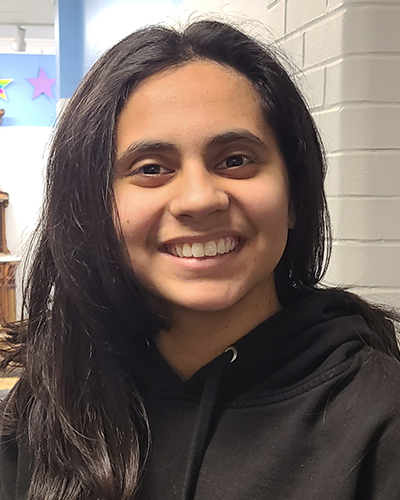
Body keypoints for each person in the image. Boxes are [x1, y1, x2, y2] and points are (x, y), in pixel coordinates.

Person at [1, 19, 400, 500]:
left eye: (235, 160)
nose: (199, 199)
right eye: (151, 168)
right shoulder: (51, 403)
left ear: (294, 195)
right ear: (94, 209)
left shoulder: (381, 418)